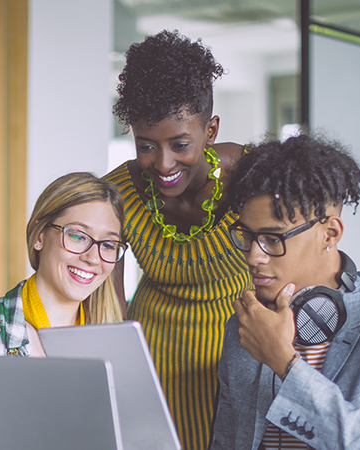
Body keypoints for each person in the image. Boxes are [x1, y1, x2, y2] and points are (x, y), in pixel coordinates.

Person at [210, 134, 360, 450]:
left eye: (273, 238)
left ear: (330, 234)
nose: (253, 256)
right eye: (247, 236)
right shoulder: (248, 326)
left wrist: (284, 361)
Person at [104, 29, 250, 448]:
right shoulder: (118, 193)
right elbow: (111, 309)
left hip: (234, 366)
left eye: (180, 143)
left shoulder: (254, 177)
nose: (162, 163)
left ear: (211, 129)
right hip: (149, 366)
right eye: (145, 145)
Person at [0, 172, 127, 448]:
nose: (92, 257)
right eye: (77, 236)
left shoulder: (116, 340)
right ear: (40, 235)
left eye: (108, 245)